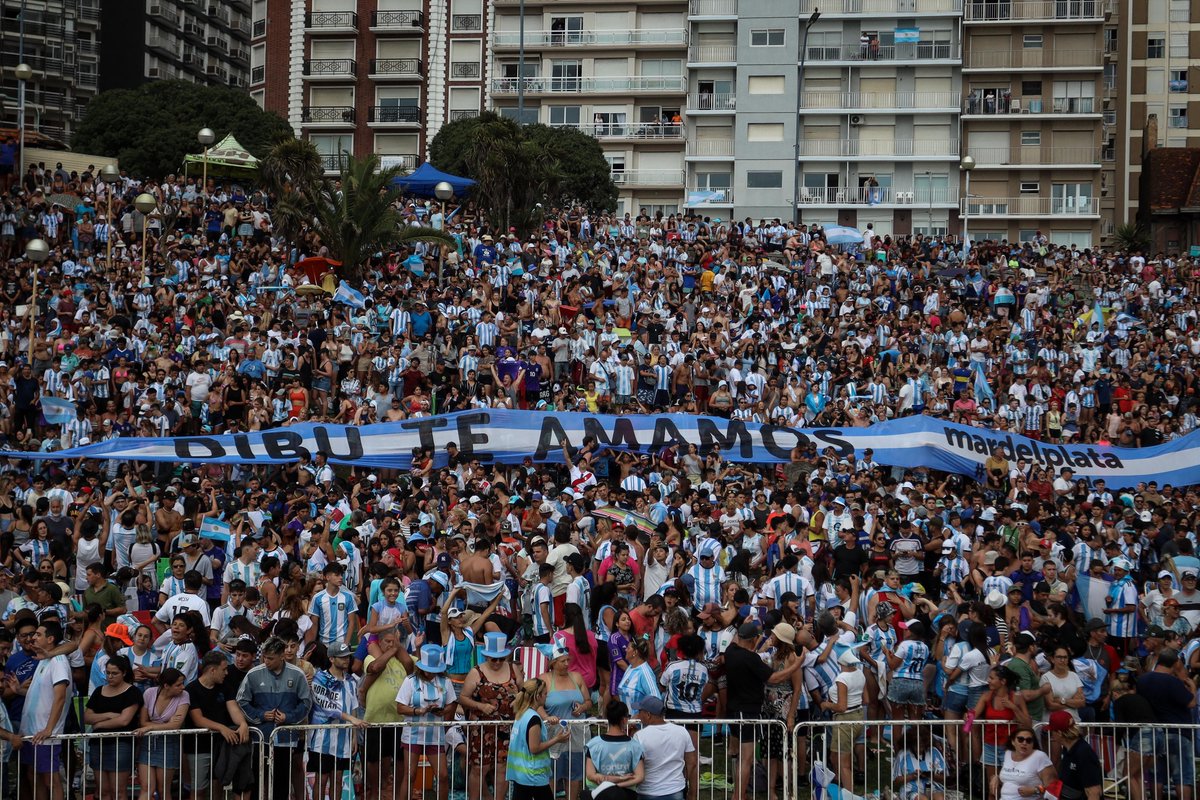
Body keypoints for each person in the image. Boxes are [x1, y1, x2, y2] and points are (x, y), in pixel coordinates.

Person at [237, 636, 313, 800]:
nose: (267, 661)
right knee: (257, 781)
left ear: (282, 656)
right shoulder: (253, 674)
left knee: (282, 783)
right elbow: (241, 701)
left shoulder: (297, 674)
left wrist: (289, 717)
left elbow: (306, 703)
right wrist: (260, 715)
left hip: (286, 739)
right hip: (260, 738)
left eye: (271, 658)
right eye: (265, 657)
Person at [458, 631, 523, 800]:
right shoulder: (476, 672)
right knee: (480, 768)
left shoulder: (513, 669)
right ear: (486, 656)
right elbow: (463, 698)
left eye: (501, 659)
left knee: (502, 767)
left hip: (507, 728)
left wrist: (518, 696)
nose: (498, 662)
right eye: (494, 659)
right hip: (481, 729)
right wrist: (480, 706)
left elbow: (525, 692)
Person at [186, 650, 253, 800]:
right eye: (224, 669)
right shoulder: (192, 689)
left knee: (218, 786)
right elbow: (198, 719)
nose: (227, 673)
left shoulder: (225, 687)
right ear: (212, 670)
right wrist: (222, 728)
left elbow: (233, 708)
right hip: (198, 747)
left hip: (221, 745)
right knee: (198, 790)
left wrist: (242, 724)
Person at [395, 644, 459, 800]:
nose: (431, 673)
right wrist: (419, 711)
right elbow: (400, 707)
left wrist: (444, 712)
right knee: (410, 775)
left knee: (443, 775)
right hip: (413, 733)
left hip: (435, 734)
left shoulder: (445, 682)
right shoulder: (410, 681)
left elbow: (452, 703)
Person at [18, 620, 72, 800]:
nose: (33, 637)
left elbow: (60, 696)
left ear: (50, 639)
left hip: (45, 735)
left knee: (51, 780)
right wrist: (18, 690)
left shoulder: (58, 660)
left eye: (38, 634)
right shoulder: (43, 659)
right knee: (34, 777)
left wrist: (49, 728)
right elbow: (41, 694)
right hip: (32, 732)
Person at [360, 625, 414, 800]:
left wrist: (404, 648)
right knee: (374, 758)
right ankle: (375, 793)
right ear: (379, 642)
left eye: (394, 641)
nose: (391, 645)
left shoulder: (402, 658)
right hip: (375, 719)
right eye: (387, 641)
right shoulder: (369, 657)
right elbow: (375, 667)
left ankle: (397, 794)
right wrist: (392, 651)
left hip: (399, 719)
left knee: (399, 759)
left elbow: (412, 665)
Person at [308, 642, 367, 800]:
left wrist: (354, 736)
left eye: (347, 656)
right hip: (322, 738)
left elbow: (354, 706)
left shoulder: (350, 681)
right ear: (331, 659)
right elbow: (327, 707)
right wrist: (352, 719)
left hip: (343, 739)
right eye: (342, 657)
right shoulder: (320, 678)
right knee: (322, 779)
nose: (346, 659)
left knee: (338, 779)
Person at [83, 654, 143, 800]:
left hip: (121, 744)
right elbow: (86, 717)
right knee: (102, 791)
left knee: (118, 791)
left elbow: (124, 720)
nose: (110, 676)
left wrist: (99, 724)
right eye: (108, 672)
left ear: (124, 673)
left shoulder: (132, 692)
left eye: (114, 673)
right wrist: (109, 714)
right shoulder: (99, 691)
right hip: (98, 744)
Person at [505, 677, 571, 800]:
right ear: (537, 696)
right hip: (533, 774)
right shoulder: (534, 718)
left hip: (520, 774)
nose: (547, 696)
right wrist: (557, 739)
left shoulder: (521, 713)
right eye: (545, 693)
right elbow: (534, 748)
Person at [135, 668, 191, 800]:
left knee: (163, 790)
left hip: (169, 744)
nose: (182, 687)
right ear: (166, 685)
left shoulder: (184, 695)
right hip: (148, 744)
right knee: (147, 788)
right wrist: (165, 725)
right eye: (178, 684)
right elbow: (142, 722)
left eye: (183, 683)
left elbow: (175, 725)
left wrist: (151, 726)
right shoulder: (149, 693)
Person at [820, 648, 867, 791]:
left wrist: (826, 704)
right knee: (835, 756)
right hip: (858, 715)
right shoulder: (860, 673)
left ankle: (849, 792)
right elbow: (867, 699)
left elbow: (841, 707)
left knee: (844, 763)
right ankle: (838, 781)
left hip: (845, 719)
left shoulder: (842, 678)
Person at [632, 695, 697, 800]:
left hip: (648, 792)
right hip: (676, 790)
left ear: (648, 714)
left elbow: (634, 765)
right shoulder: (681, 732)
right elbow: (692, 763)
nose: (638, 715)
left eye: (640, 712)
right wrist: (692, 794)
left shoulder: (639, 736)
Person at [584, 700, 645, 800]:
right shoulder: (634, 746)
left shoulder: (594, 744)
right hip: (627, 794)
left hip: (600, 794)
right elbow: (640, 776)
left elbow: (590, 775)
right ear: (624, 720)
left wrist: (608, 784)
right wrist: (619, 784)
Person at [1045, 710, 1102, 800]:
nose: (1051, 735)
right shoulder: (1068, 749)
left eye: (1052, 731)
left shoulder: (1083, 753)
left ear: (1059, 733)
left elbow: (1093, 792)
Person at [992, 726, 1055, 800]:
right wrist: (996, 778)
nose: (1024, 743)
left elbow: (1053, 786)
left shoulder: (1039, 756)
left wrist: (1035, 790)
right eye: (1020, 739)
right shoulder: (1008, 754)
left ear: (1033, 743)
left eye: (1029, 740)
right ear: (1013, 741)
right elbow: (1010, 778)